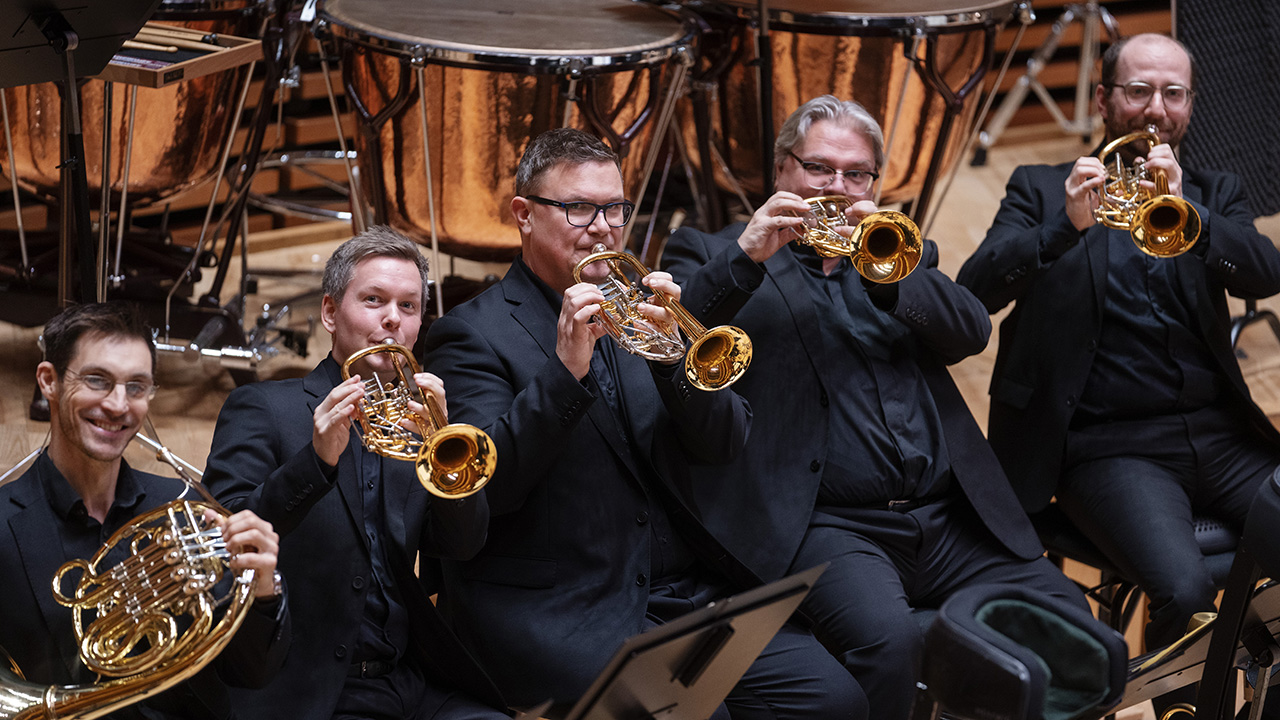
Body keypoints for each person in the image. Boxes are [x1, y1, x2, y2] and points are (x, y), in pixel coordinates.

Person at [661, 95, 1087, 720]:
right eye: (819, 168)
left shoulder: (894, 251)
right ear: (782, 170)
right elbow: (673, 341)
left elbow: (970, 329)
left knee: (1070, 627)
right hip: (829, 524)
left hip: (948, 519)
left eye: (857, 173)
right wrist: (747, 257)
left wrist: (888, 275)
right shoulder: (706, 249)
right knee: (890, 644)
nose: (837, 187)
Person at [423, 127, 866, 720]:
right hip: (567, 608)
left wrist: (672, 363)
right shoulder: (471, 335)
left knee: (835, 701)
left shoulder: (638, 306)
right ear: (524, 215)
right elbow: (486, 493)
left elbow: (725, 441)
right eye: (579, 207)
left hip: (686, 597)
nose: (603, 226)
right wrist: (566, 375)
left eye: (616, 208)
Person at [957, 34, 1280, 660]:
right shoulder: (1042, 188)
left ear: (1189, 106)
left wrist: (1192, 212)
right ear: (1103, 100)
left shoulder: (1213, 190)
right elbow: (975, 291)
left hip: (1219, 432)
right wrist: (1060, 229)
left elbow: (1266, 274)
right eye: (1138, 90)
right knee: (1184, 591)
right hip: (1110, 447)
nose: (1155, 108)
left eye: (1173, 93)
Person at [204, 227, 507, 720]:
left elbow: (461, 545)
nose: (392, 319)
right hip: (316, 688)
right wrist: (317, 458)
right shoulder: (261, 406)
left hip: (413, 679)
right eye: (373, 300)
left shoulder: (417, 425)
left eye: (408, 307)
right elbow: (224, 541)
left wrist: (445, 441)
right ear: (329, 312)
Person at [0, 301, 289, 720]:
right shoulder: (4, 526)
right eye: (98, 381)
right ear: (49, 381)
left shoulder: (185, 510)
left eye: (136, 386)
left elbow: (252, 672)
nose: (119, 405)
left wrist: (263, 591)